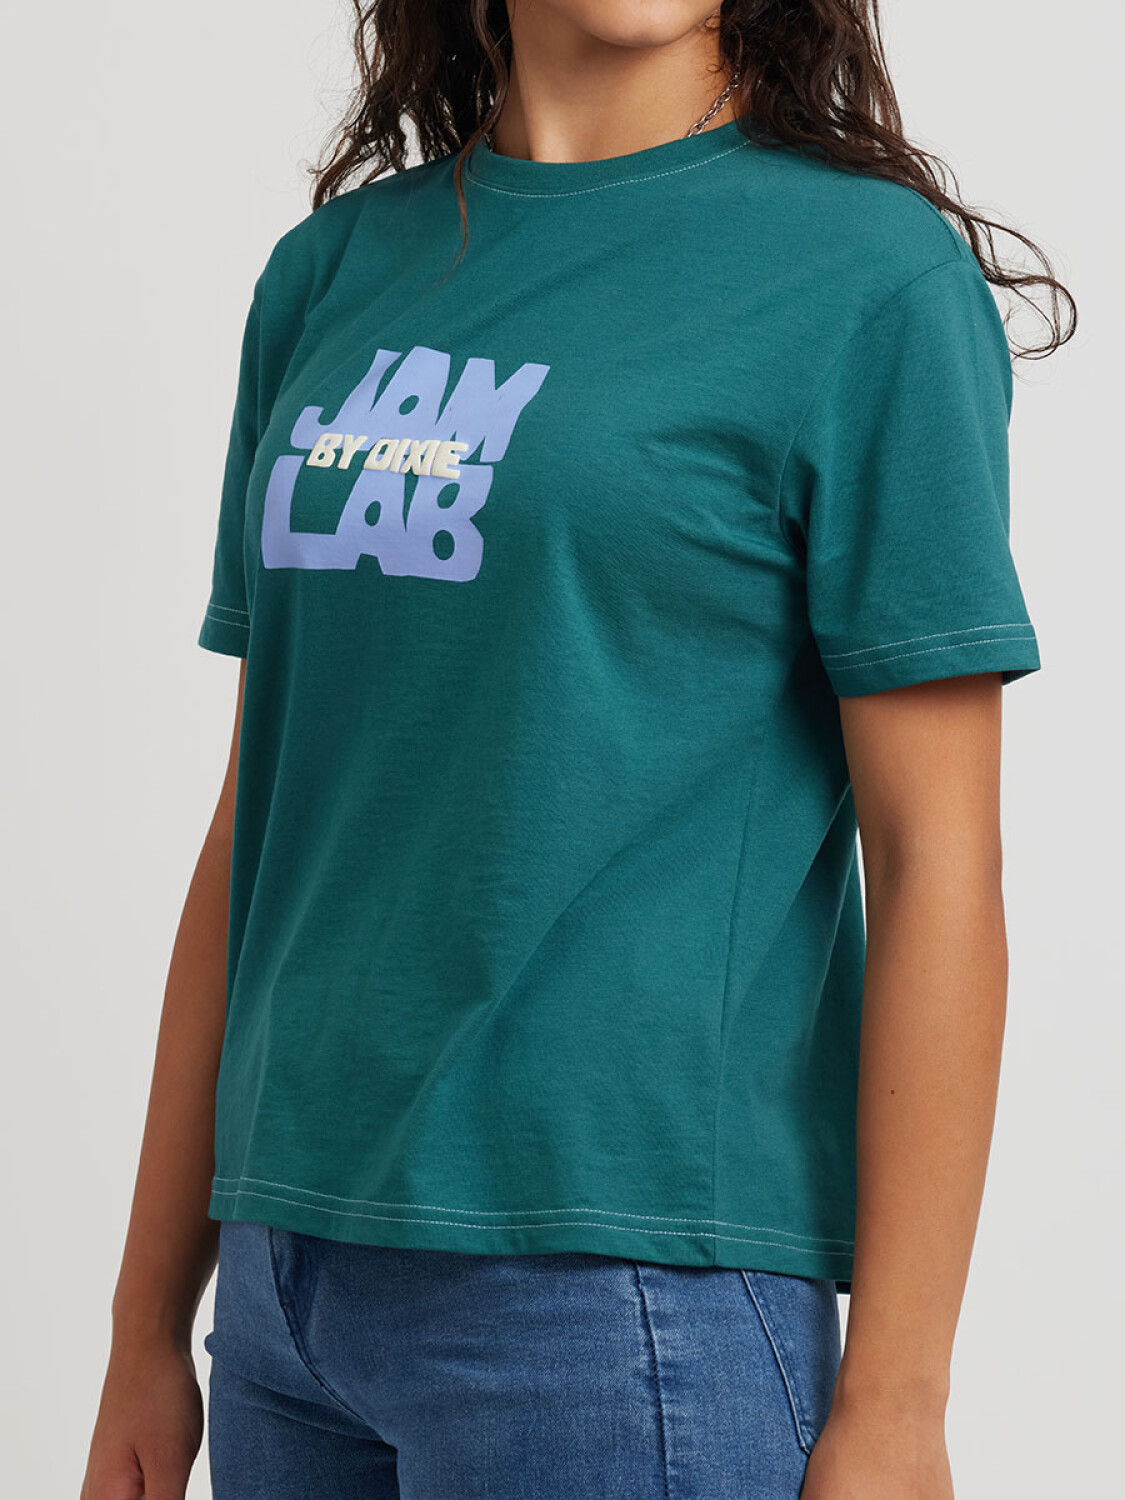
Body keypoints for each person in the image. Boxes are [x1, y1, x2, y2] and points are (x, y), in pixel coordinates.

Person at [80, 3, 1074, 1498]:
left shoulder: (865, 280)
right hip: (287, 1285)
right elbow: (263, 819)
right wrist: (145, 1322)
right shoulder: (329, 276)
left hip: (621, 1298)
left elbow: (937, 859)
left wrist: (899, 1398)